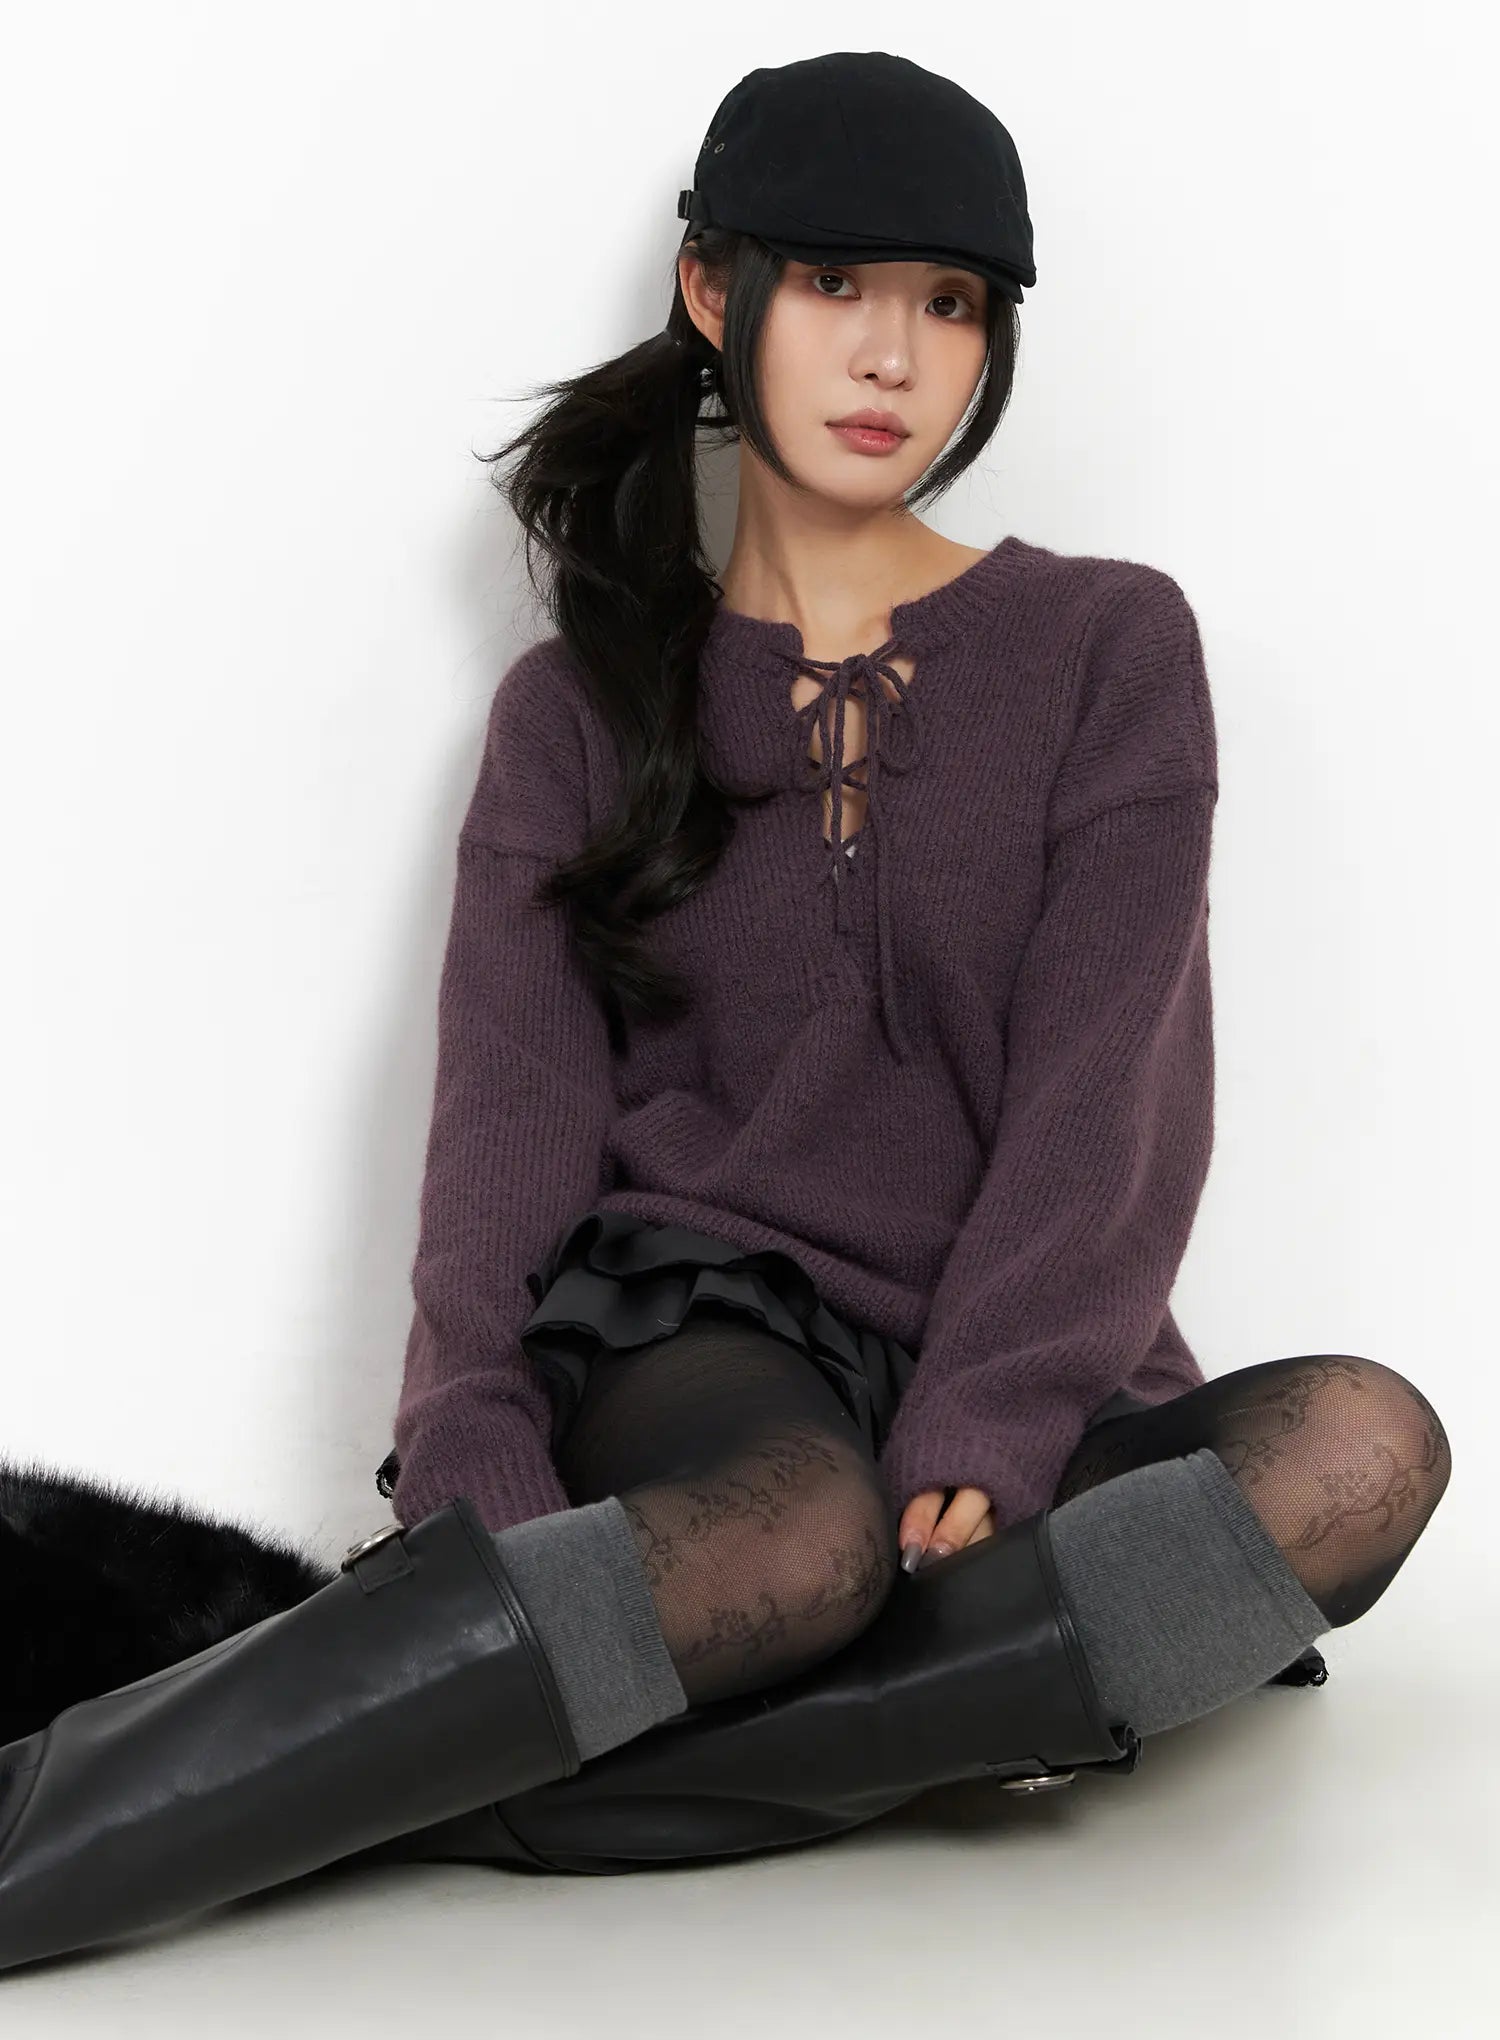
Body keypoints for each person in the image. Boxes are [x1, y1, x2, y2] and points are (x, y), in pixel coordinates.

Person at [0, 51, 1453, 1964]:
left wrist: (1000, 1409)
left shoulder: (1109, 645)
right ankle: (41, 1841)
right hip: (706, 1343)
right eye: (837, 284)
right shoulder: (580, 708)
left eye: (952, 304)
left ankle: (422, 1765)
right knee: (803, 1537)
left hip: (1025, 1351)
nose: (894, 356)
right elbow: (507, 1123)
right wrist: (473, 1444)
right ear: (713, 289)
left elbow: (1114, 1093)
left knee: (1362, 1446)